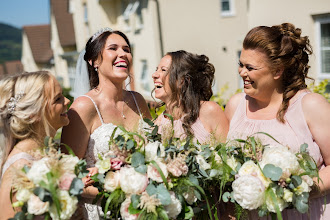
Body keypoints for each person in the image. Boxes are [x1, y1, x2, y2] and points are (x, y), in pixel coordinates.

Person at [225, 23, 330, 219]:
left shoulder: (310, 105)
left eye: (250, 67)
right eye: (240, 64)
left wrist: (297, 192)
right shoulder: (235, 105)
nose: (242, 72)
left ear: (277, 71)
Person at [61, 28, 151, 219]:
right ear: (94, 61)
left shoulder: (138, 101)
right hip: (102, 210)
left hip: (143, 208)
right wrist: (120, 191)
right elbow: (67, 177)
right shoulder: (84, 107)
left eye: (126, 49)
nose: (123, 54)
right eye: (113, 48)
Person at [0, 71, 70, 219]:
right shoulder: (20, 168)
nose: (67, 101)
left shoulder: (45, 152)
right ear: (34, 114)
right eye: (58, 99)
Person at [152, 50, 228, 144]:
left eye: (163, 70)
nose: (154, 75)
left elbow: (229, 152)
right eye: (156, 69)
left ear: (182, 80)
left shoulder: (208, 111)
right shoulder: (157, 124)